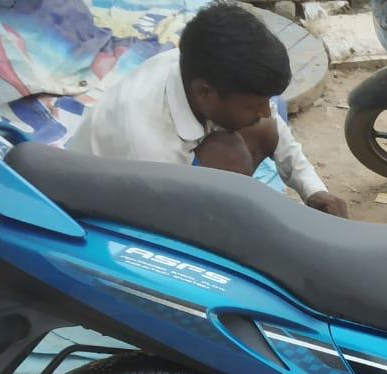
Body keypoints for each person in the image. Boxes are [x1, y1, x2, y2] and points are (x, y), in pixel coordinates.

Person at [66, 1, 348, 216]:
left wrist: (313, 190)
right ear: (205, 92)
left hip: (166, 172)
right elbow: (158, 226)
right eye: (254, 104)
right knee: (232, 159)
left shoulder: (206, 71)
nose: (266, 111)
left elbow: (274, 126)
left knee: (263, 130)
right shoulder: (149, 146)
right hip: (111, 205)